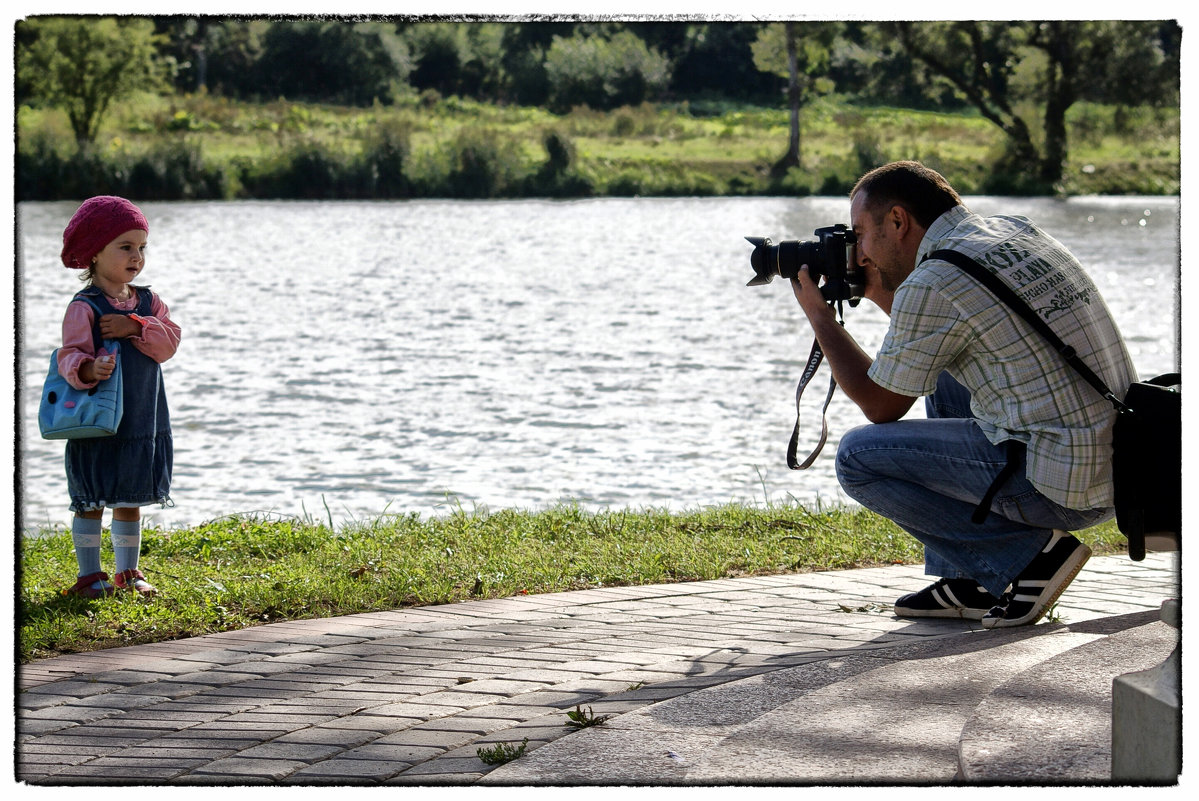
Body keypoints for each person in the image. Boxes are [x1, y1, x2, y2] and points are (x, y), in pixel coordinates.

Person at [789, 161, 1136, 628]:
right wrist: (874, 293)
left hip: (1062, 488)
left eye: (860, 234)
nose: (860, 252)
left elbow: (880, 405)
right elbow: (928, 336)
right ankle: (970, 580)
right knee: (945, 371)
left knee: (857, 457)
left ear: (897, 221)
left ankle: (1027, 560)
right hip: (1115, 464)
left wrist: (821, 318)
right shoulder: (1010, 232)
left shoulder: (934, 282)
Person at [56, 196, 181, 598]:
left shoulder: (148, 303)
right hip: (97, 421)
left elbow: (168, 344)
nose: (136, 257)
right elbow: (69, 355)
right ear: (94, 252)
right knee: (91, 498)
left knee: (131, 497)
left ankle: (128, 571)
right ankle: (90, 575)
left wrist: (135, 326)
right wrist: (88, 369)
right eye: (125, 247)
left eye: (141, 247)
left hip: (140, 418)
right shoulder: (85, 307)